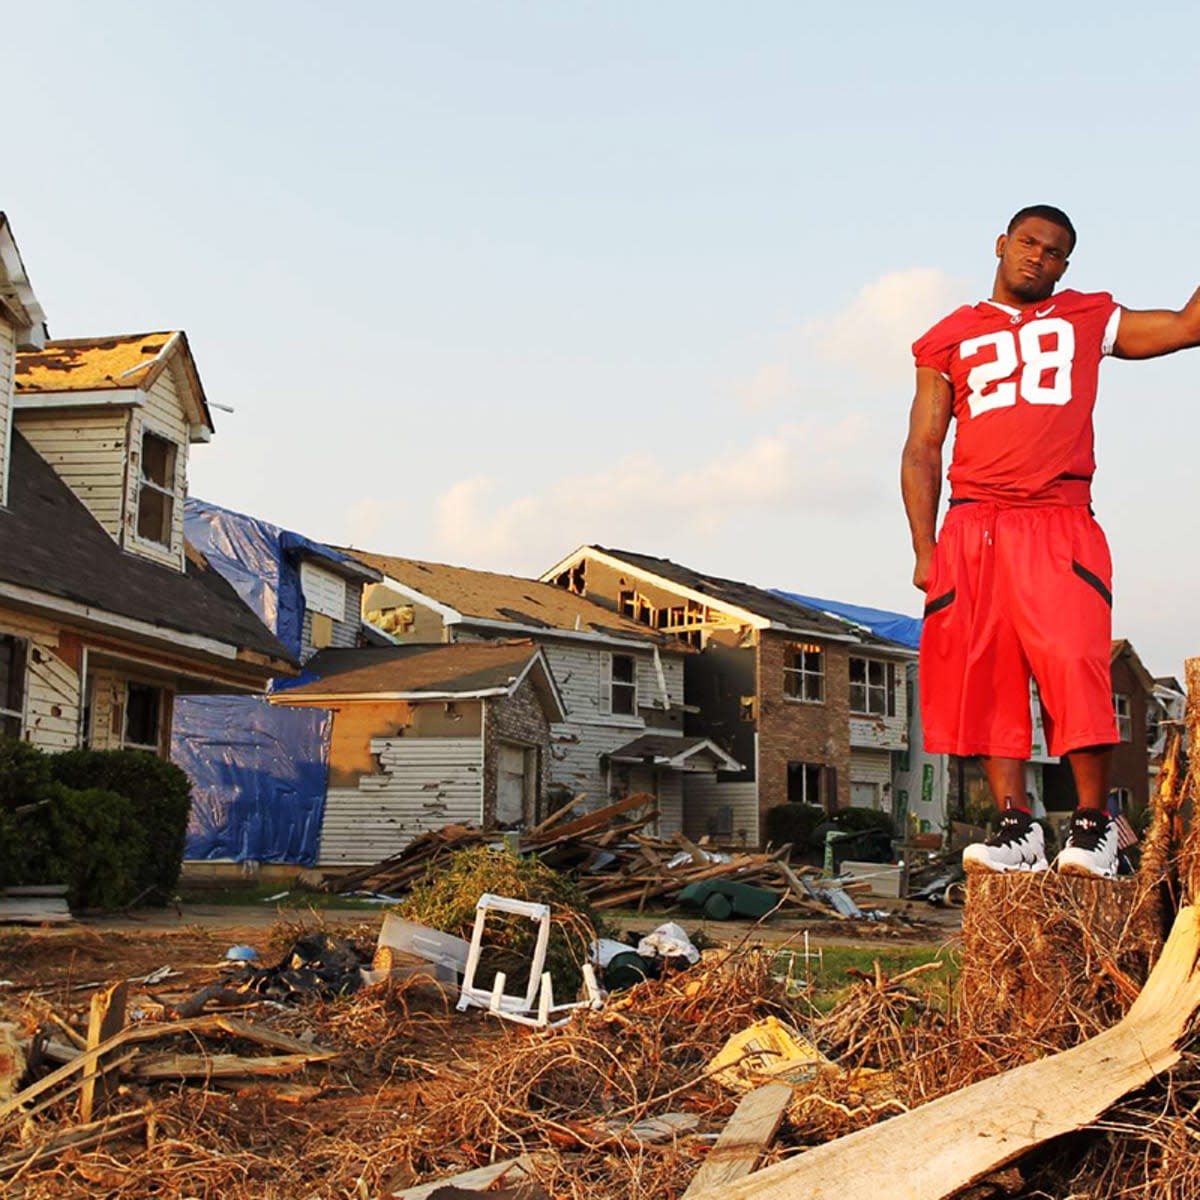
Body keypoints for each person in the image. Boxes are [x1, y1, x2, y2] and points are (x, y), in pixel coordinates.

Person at [901, 205, 1200, 878]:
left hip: (1056, 516)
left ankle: (1095, 825)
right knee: (988, 673)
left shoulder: (1087, 317)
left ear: (1067, 265)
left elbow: (1187, 326)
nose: (1039, 257)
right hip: (972, 523)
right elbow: (922, 448)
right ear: (1002, 244)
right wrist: (926, 547)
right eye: (1030, 243)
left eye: (1056, 251)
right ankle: (1017, 826)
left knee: (1073, 661)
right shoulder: (948, 336)